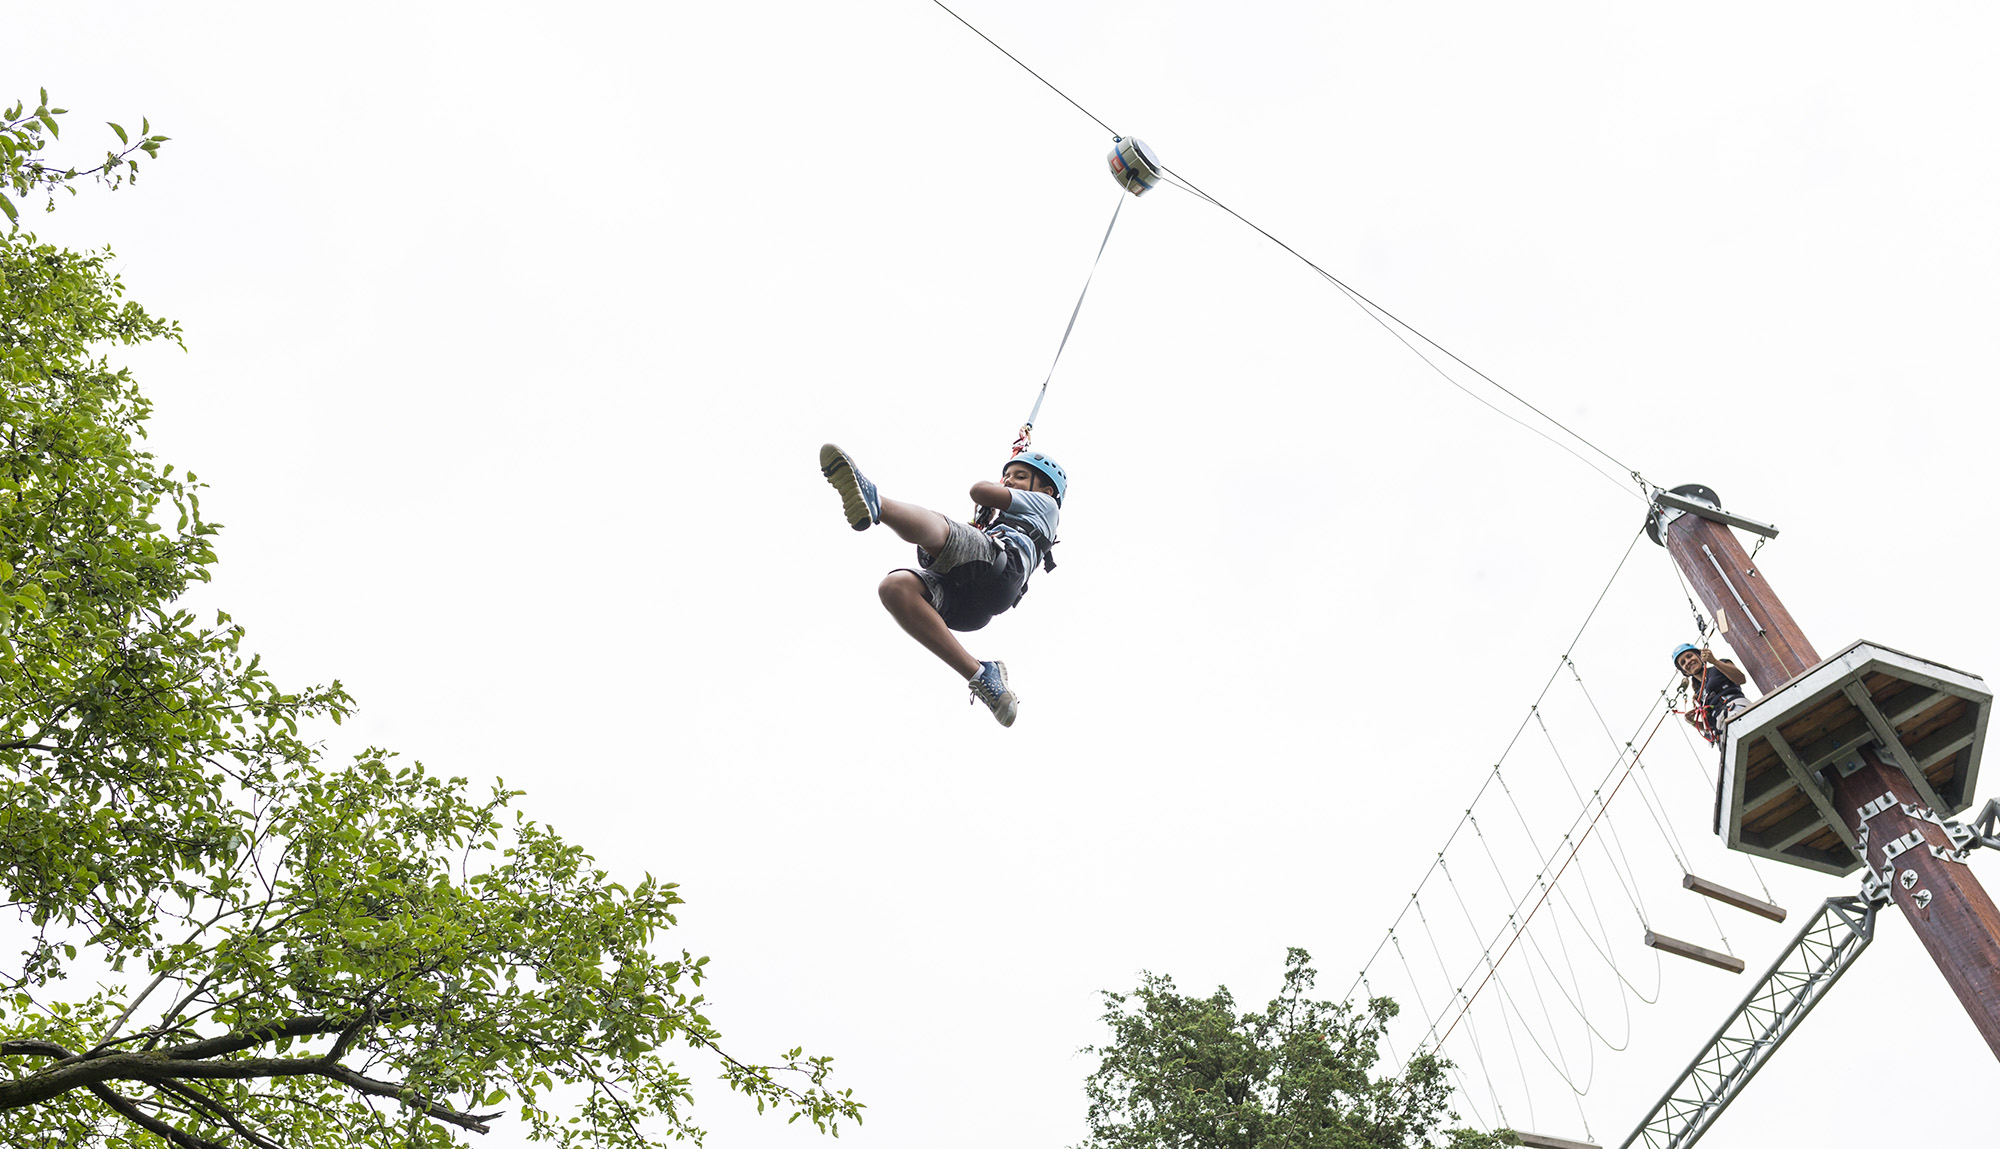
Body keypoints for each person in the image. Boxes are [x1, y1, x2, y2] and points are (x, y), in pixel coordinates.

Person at [819, 443, 1065, 727]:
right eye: (1008, 475)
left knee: (941, 526)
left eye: (1019, 476)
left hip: (1001, 567)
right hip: (974, 603)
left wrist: (993, 490)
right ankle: (980, 674)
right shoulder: (1009, 518)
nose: (1009, 480)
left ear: (1046, 491)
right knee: (895, 588)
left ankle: (878, 503)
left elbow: (979, 491)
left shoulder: (1046, 505)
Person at [1674, 642, 1749, 744]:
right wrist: (1693, 722)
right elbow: (1708, 726)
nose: (1688, 661)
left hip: (1737, 710)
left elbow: (1740, 679)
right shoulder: (1698, 695)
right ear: (1685, 672)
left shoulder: (1719, 667)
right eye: (1683, 662)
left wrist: (1714, 661)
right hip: (1722, 729)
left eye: (1689, 656)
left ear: (1700, 656)